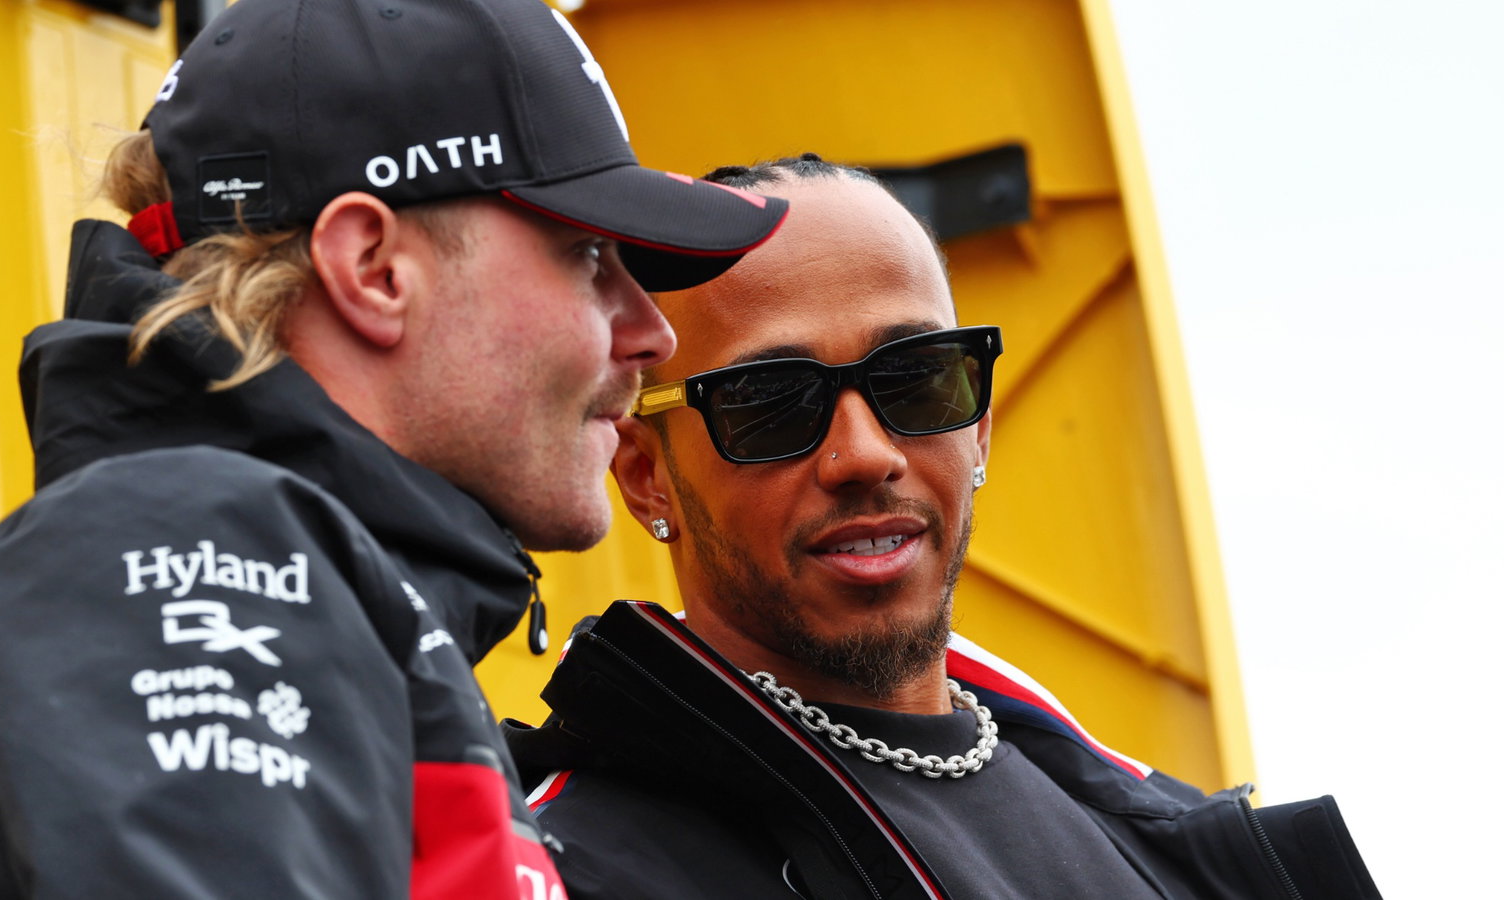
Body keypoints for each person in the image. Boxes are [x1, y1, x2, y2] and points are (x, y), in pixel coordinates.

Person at [0, 1, 788, 897]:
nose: (651, 333)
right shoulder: (190, 549)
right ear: (371, 269)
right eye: (590, 254)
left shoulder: (325, 598)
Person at [506, 155, 1381, 899]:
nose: (863, 454)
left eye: (918, 380)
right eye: (770, 404)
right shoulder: (568, 869)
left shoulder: (1147, 830)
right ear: (645, 475)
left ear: (980, 425)